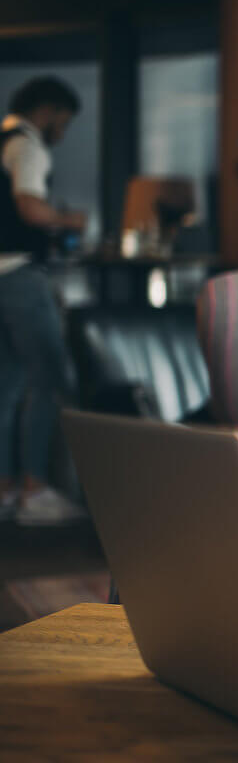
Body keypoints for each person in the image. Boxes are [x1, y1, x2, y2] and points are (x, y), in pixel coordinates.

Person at [0, 75, 88, 525]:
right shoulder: (27, 145)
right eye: (65, 121)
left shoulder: (2, 139)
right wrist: (70, 219)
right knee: (52, 377)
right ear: (50, 109)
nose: (63, 130)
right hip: (17, 275)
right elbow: (30, 208)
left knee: (8, 385)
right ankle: (34, 488)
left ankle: (6, 488)